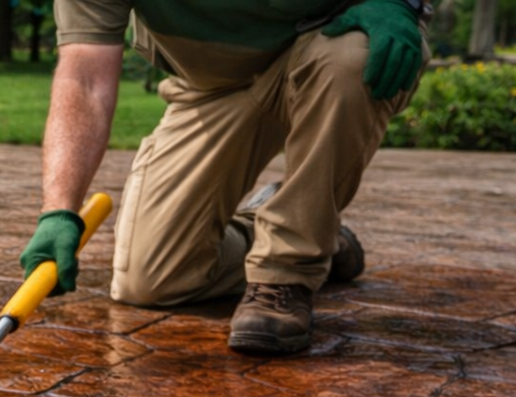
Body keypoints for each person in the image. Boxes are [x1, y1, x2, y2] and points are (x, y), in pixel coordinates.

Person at [21, 0, 428, 355]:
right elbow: (85, 78)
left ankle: (287, 272)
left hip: (323, 51)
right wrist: (59, 211)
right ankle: (306, 228)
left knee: (358, 56)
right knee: (152, 279)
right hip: (211, 88)